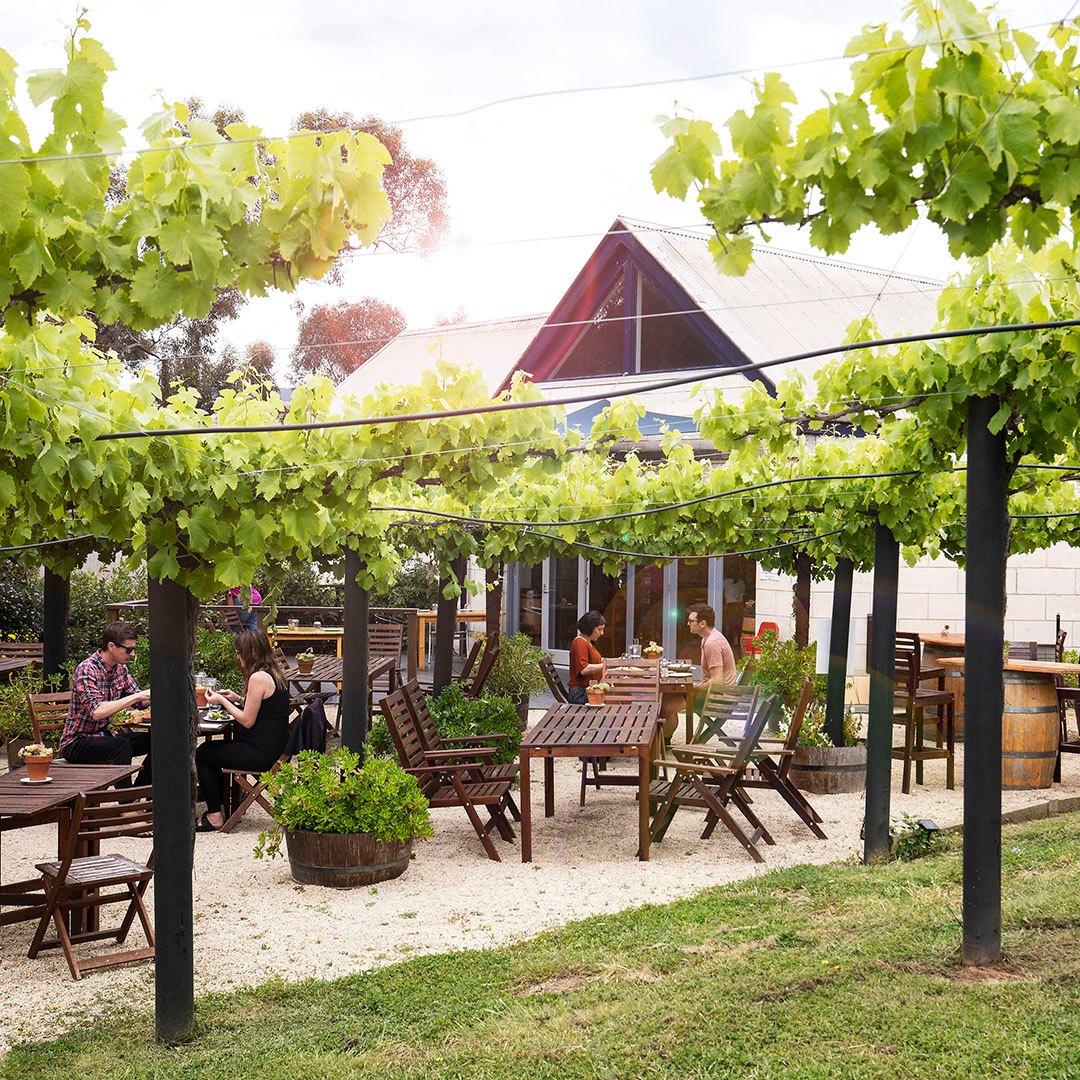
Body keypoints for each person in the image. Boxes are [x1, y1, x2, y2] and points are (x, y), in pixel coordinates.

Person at [196, 629, 290, 832]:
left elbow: (247, 721)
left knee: (203, 753)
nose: (238, 658)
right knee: (212, 749)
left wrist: (221, 700)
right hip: (275, 749)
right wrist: (237, 699)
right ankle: (223, 806)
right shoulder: (274, 672)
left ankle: (215, 815)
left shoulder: (258, 677)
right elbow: (265, 707)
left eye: (240, 653)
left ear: (251, 652)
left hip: (261, 754)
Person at [60, 621, 152, 785]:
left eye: (134, 649)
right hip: (76, 742)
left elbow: (140, 702)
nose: (132, 654)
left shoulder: (120, 669)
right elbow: (97, 712)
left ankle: (137, 794)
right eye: (128, 649)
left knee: (158, 741)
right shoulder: (87, 670)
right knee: (120, 746)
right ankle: (127, 807)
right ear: (111, 646)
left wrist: (160, 694)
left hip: (105, 736)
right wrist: (137, 697)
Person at [688, 603, 737, 691]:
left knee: (671, 698)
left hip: (719, 698)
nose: (688, 623)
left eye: (691, 621)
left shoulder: (712, 643)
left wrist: (695, 689)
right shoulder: (709, 638)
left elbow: (717, 681)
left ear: (703, 623)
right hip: (717, 693)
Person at [567, 611, 606, 705]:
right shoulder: (579, 643)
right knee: (616, 694)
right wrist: (606, 665)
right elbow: (584, 669)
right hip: (580, 693)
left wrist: (617, 662)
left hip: (587, 689)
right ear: (590, 628)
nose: (602, 633)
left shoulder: (587, 642)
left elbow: (597, 660)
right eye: (599, 629)